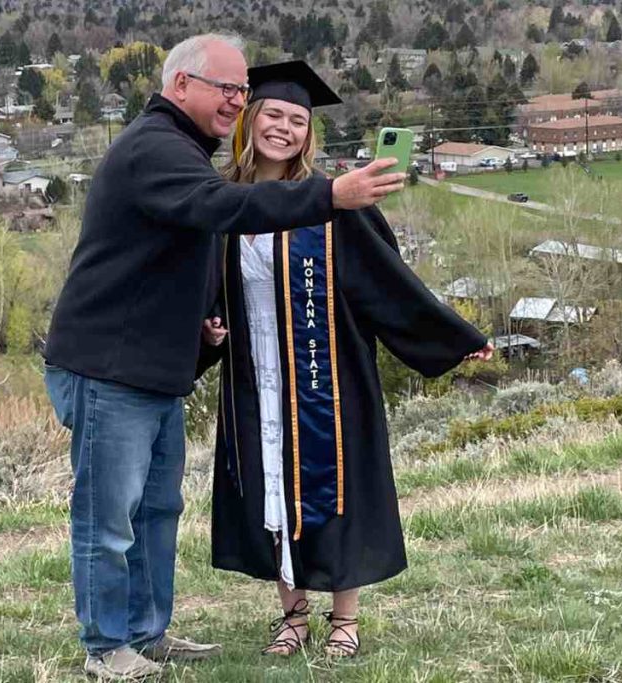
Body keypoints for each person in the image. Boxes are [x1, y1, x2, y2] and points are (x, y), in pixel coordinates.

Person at [43, 35, 407, 680]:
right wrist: (330, 196)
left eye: (244, 92)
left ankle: (147, 633)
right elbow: (222, 207)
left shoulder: (182, 150)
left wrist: (205, 327)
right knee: (108, 519)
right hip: (109, 369)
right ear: (181, 84)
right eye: (229, 90)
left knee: (156, 511)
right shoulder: (156, 148)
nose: (239, 102)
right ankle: (107, 647)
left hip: (153, 369)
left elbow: (177, 262)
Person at [197, 60, 493, 658]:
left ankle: (345, 620)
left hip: (330, 376)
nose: (284, 128)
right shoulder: (222, 204)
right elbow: (203, 286)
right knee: (269, 488)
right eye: (274, 115)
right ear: (251, 119)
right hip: (255, 376)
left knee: (337, 487)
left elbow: (390, 282)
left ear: (310, 133)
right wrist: (205, 330)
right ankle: (292, 615)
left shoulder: (336, 200)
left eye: (298, 121)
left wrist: (452, 335)